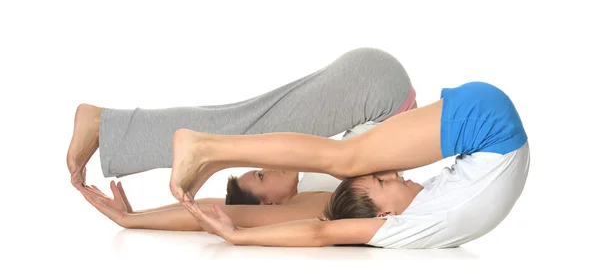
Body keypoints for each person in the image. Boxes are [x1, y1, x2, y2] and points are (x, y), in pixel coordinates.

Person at [71, 47, 417, 229]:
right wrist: (131, 219)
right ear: (272, 204)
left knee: (236, 124)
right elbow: (218, 212)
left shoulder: (313, 178)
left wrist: (134, 218)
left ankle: (114, 128)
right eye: (263, 176)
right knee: (236, 124)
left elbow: (212, 209)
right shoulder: (316, 202)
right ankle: (108, 126)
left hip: (375, 89)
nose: (268, 166)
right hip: (380, 93)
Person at [170, 81, 530, 249]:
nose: (392, 173)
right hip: (489, 124)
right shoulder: (397, 228)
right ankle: (209, 151)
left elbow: (319, 232)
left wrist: (239, 236)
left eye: (382, 180)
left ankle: (207, 150)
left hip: (489, 125)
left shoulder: (396, 226)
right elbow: (322, 232)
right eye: (384, 183)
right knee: (344, 160)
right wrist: (238, 235)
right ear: (383, 215)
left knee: (343, 161)